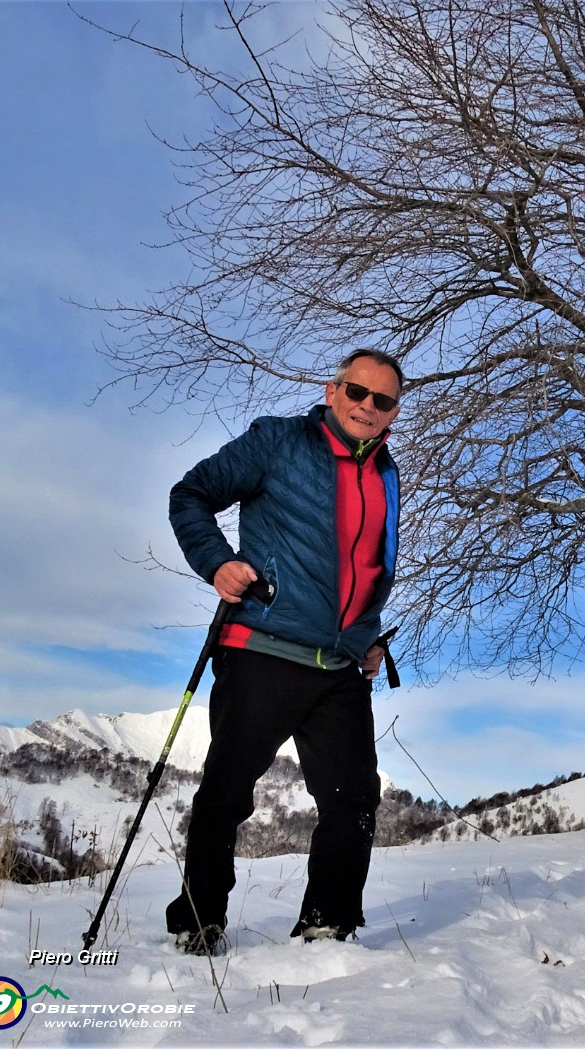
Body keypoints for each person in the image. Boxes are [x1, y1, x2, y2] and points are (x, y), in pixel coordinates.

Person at [164, 349, 404, 955]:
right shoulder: (278, 441)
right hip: (264, 648)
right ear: (332, 391)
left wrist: (367, 636)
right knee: (227, 790)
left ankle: (328, 922)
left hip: (341, 668)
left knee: (353, 799)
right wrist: (218, 563)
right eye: (357, 392)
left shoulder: (385, 473)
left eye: (383, 400)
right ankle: (200, 917)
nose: (367, 407)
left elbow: (367, 569)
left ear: (393, 413)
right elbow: (190, 494)